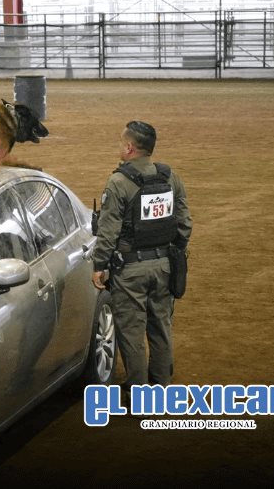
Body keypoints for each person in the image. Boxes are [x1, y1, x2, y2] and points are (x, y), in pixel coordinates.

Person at [91, 120, 192, 394]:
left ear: (129, 147)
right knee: (161, 326)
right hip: (165, 265)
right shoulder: (170, 177)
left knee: (131, 331)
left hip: (131, 269)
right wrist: (174, 252)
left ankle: (139, 393)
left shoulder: (119, 182)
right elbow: (184, 224)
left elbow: (108, 232)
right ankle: (160, 386)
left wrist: (100, 265)